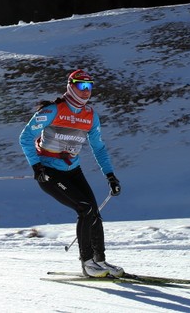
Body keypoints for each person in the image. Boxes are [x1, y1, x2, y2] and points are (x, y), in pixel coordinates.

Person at [19, 69, 123, 278]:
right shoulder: (52, 111)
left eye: (90, 87)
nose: (86, 91)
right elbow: (25, 137)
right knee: (84, 208)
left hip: (73, 171)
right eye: (82, 86)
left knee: (94, 212)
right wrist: (37, 167)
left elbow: (99, 148)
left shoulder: (90, 116)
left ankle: (99, 261)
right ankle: (87, 264)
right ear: (70, 86)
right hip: (50, 173)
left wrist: (110, 175)